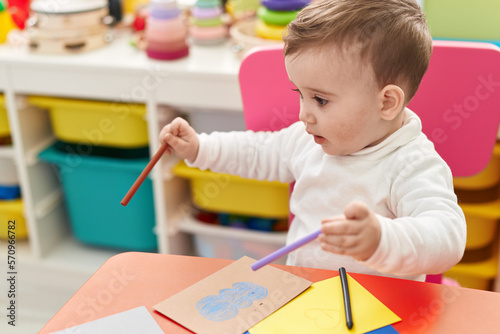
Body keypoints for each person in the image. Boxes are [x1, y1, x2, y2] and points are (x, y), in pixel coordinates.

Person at [159, 0, 466, 281]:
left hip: (381, 311)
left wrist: (381, 239)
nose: (304, 114)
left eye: (320, 100)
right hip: (304, 294)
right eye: (300, 94)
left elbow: (448, 235)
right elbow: (258, 151)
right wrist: (200, 147)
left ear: (386, 103)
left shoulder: (411, 164)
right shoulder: (310, 140)